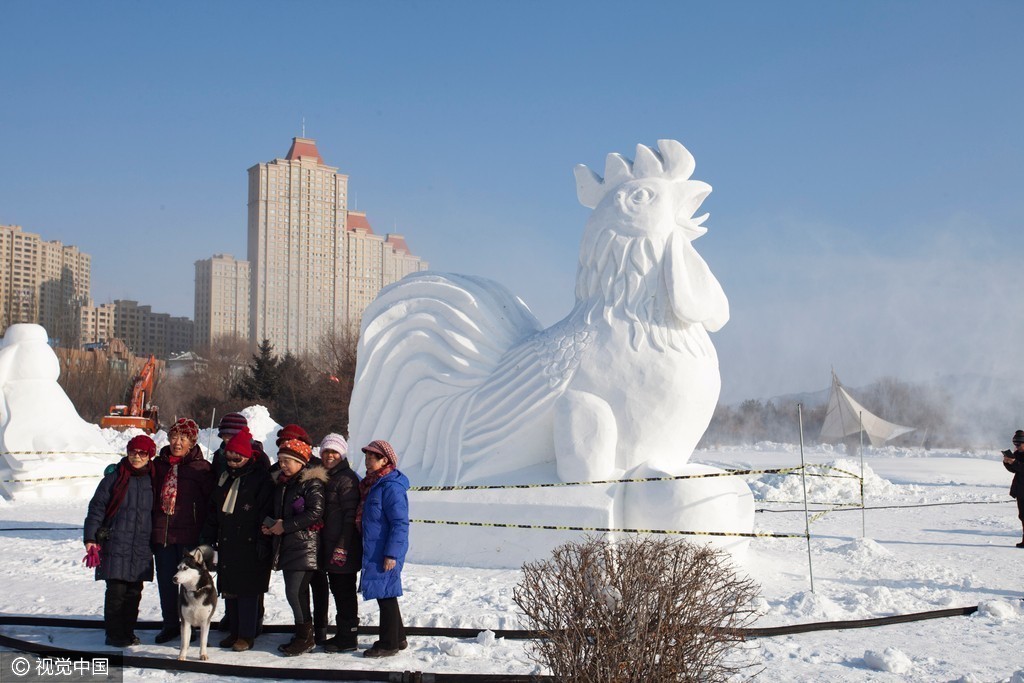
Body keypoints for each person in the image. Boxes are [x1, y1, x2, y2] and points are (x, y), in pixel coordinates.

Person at [200, 426, 274, 652]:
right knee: (229, 588)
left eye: (236, 458)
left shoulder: (260, 479)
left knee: (248, 591)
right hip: (228, 540)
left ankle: (247, 634)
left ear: (247, 457)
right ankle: (233, 631)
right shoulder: (224, 478)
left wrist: (263, 540)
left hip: (251, 542)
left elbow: (266, 510)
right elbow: (214, 511)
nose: (232, 462)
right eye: (229, 458)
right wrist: (207, 540)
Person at [84, 435, 156, 647]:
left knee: (134, 593)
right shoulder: (114, 478)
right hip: (116, 542)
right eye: (133, 451)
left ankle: (128, 631)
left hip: (141, 545)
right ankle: (114, 634)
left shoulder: (154, 479)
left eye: (142, 453)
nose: (136, 457)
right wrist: (90, 537)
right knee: (116, 592)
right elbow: (97, 508)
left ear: (149, 455)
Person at [151, 417, 215, 644]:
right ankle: (171, 624)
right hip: (163, 534)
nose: (177, 442)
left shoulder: (201, 468)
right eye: (174, 437)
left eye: (183, 438)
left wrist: (207, 537)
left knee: (191, 586)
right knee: (167, 582)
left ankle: (193, 625)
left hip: (189, 537)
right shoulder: (158, 465)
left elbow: (211, 504)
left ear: (192, 441)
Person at [262, 434, 326, 656]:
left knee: (295, 591)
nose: (282, 465)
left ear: (300, 462)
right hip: (289, 544)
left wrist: (285, 526)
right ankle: (304, 633)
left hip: (304, 546)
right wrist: (271, 526)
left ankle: (305, 637)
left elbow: (316, 512)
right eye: (280, 460)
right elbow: (279, 513)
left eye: (287, 461)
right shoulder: (283, 484)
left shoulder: (311, 482)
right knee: (296, 593)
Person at [357, 440, 410, 658]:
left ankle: (389, 644)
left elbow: (400, 523)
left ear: (384, 460)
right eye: (367, 457)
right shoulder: (375, 483)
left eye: (372, 458)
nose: (368, 461)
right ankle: (398, 637)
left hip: (385, 550)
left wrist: (391, 554)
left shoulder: (390, 486)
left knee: (386, 594)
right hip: (376, 547)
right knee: (386, 593)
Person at [317, 433, 362, 653]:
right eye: (326, 452)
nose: (330, 456)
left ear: (342, 454)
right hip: (330, 544)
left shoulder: (346, 479)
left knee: (344, 591)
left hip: (343, 546)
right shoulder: (329, 476)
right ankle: (344, 633)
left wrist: (342, 545)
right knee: (338, 589)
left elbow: (349, 516)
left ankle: (348, 636)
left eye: (334, 452)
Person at [211, 412, 270, 476]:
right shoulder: (219, 454)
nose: (226, 439)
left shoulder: (258, 456)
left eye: (231, 436)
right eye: (224, 435)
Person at [1002, 429, 1024, 548]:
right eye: (1015, 444)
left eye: (1018, 444)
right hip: (1020, 490)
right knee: (1022, 516)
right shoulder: (1018, 454)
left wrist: (1014, 462)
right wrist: (1007, 462)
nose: (1016, 447)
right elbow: (1015, 470)